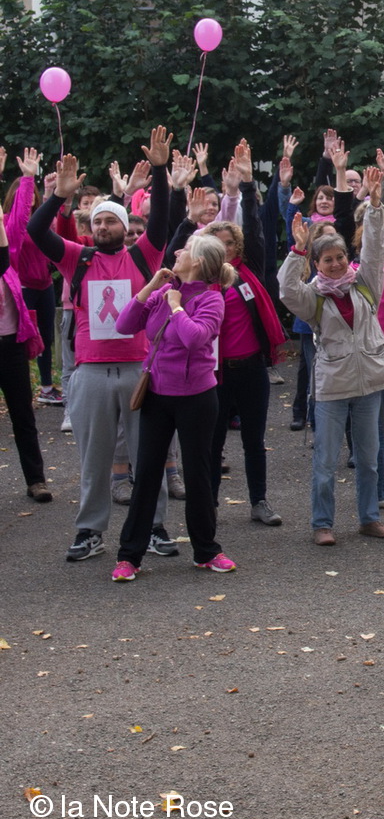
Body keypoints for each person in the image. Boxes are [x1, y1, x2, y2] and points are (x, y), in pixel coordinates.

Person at [28, 130, 176, 562]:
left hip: (138, 371)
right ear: (90, 228)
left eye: (111, 221)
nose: (104, 227)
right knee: (93, 459)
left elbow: (162, 218)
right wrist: (58, 195)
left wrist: (161, 170)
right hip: (90, 373)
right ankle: (90, 531)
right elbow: (35, 230)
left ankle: (154, 527)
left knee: (149, 456)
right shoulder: (76, 257)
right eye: (97, 222)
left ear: (124, 227)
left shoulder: (143, 256)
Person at [280, 155, 384, 546]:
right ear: (316, 263)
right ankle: (322, 524)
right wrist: (297, 251)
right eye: (327, 260)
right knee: (325, 462)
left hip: (370, 383)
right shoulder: (312, 296)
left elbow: (375, 251)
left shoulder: (365, 284)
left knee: (369, 459)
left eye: (339, 258)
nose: (335, 265)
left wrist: (376, 207)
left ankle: (369, 518)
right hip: (333, 386)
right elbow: (286, 290)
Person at [168, 141, 288, 526]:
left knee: (254, 440)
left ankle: (259, 502)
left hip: (251, 368)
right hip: (213, 373)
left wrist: (248, 185)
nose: (225, 248)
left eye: (230, 242)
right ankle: (211, 505)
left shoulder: (250, 270)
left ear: (238, 246)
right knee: (212, 441)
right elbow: (170, 255)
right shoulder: (197, 283)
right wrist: (187, 218)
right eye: (216, 243)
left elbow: (254, 226)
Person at [110, 234, 237, 581]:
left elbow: (195, 338)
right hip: (157, 394)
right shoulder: (163, 291)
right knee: (147, 473)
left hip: (197, 397)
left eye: (185, 249)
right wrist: (151, 287)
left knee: (197, 474)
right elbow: (124, 325)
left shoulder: (212, 299)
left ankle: (206, 551)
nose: (177, 252)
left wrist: (177, 306)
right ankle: (129, 556)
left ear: (198, 262)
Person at [0, 147, 52, 502]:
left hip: (11, 346)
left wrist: (28, 180)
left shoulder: (8, 260)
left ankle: (36, 481)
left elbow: (17, 223)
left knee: (23, 416)